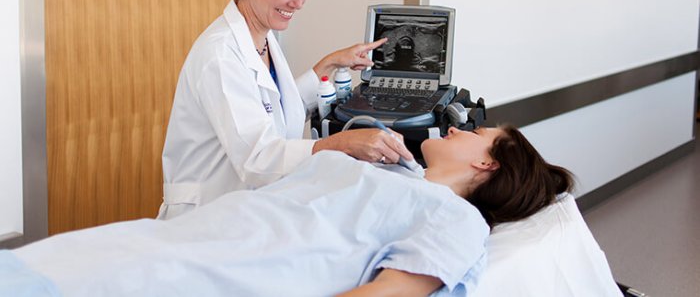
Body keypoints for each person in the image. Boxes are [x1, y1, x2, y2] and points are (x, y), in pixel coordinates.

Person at [3, 125, 573, 297]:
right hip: (193, 236)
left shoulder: (456, 220)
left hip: (230, 270)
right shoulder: (383, 169)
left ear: (490, 167)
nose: (455, 126)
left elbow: (385, 296)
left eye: (474, 132)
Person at [158, 0, 413, 220]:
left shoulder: (262, 36)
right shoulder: (221, 56)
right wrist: (340, 144)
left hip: (246, 210)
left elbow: (274, 109)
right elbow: (258, 158)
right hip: (205, 215)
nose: (298, 2)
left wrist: (330, 64)